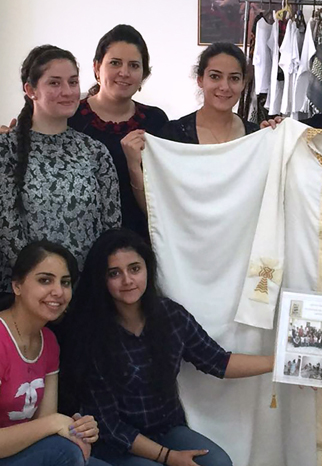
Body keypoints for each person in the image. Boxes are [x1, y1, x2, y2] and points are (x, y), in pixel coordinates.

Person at [59, 229, 273, 466]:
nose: (128, 280)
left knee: (220, 463)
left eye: (135, 269)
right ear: (101, 279)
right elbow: (110, 425)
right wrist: (168, 457)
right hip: (115, 442)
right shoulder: (91, 334)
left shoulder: (170, 315)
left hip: (167, 430)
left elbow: (218, 361)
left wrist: (279, 362)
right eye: (114, 273)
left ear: (147, 269)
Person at [0, 45, 121, 297]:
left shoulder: (95, 151)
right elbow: (7, 230)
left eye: (73, 82)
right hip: (22, 297)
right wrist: (45, 285)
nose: (67, 92)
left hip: (83, 296)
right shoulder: (7, 149)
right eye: (54, 83)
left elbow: (110, 231)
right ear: (31, 90)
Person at [0, 241, 106, 466]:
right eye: (45, 280)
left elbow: (46, 421)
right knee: (64, 453)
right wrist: (56, 424)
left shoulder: (48, 341)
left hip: (24, 453)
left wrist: (75, 428)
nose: (58, 291)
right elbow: (49, 424)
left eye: (65, 282)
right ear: (17, 286)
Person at [121, 42, 259, 214]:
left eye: (234, 78)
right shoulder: (173, 136)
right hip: (189, 240)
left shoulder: (257, 137)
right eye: (215, 76)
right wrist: (134, 165)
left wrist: (281, 132)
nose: (225, 86)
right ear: (200, 80)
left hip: (245, 239)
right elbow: (156, 209)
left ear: (244, 83)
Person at [68, 25, 168, 239]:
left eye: (134, 65)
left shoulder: (156, 122)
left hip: (139, 245)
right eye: (115, 63)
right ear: (97, 67)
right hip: (81, 243)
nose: (124, 72)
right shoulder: (70, 117)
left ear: (144, 74)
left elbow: (164, 197)